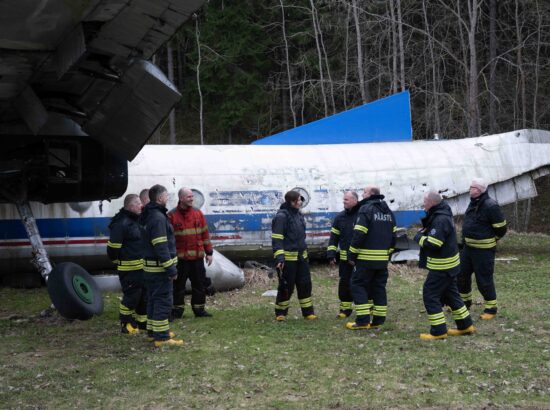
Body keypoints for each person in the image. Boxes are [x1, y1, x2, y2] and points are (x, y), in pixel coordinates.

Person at [413, 191, 475, 340]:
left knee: (430, 295)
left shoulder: (440, 219)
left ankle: (438, 331)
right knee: (452, 295)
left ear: (432, 202)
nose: (423, 204)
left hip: (441, 267)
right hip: (450, 265)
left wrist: (419, 238)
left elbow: (435, 244)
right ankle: (465, 325)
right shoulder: (442, 214)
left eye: (425, 202)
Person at [346, 186, 396, 330]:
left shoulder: (365, 209)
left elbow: (359, 234)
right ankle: (378, 320)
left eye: (365, 193)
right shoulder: (388, 212)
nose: (362, 195)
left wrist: (352, 254)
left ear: (371, 195)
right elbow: (394, 237)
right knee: (378, 288)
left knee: (358, 285)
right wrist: (387, 254)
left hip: (365, 259)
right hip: (382, 260)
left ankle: (362, 321)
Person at [458, 178, 507, 320]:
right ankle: (464, 303)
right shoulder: (473, 202)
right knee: (461, 275)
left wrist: (492, 240)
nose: (469, 189)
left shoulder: (491, 206)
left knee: (483, 279)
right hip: (468, 249)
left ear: (479, 190)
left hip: (484, 251)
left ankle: (491, 308)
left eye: (472, 187)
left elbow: (501, 228)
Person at [141, 184, 182, 347]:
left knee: (152, 299)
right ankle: (162, 338)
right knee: (162, 301)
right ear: (159, 198)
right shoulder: (158, 218)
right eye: (166, 196)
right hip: (159, 269)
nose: (168, 198)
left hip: (150, 268)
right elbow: (161, 246)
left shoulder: (149, 215)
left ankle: (153, 332)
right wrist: (171, 269)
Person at [168, 187, 214, 319]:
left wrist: (209, 252)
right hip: (180, 260)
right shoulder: (171, 215)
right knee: (178, 287)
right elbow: (169, 240)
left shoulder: (198, 213)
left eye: (192, 196)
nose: (192, 199)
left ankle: (199, 310)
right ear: (181, 198)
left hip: (197, 259)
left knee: (199, 285)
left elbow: (205, 234)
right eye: (189, 197)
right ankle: (177, 311)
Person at [272, 190, 316, 321]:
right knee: (286, 287)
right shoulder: (281, 217)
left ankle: (308, 313)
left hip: (301, 258)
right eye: (298, 200)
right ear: (292, 202)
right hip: (287, 260)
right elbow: (277, 239)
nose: (301, 202)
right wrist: (280, 258)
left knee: (305, 285)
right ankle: (281, 313)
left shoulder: (299, 215)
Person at [107, 194, 147, 334]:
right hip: (129, 269)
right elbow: (113, 248)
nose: (141, 206)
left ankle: (142, 323)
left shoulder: (137, 221)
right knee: (132, 297)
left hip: (142, 268)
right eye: (138, 204)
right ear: (130, 206)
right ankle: (125, 323)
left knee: (143, 297)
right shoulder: (121, 223)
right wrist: (117, 261)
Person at [327, 191, 364, 318]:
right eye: (343, 200)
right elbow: (334, 238)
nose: (344, 202)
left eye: (346, 200)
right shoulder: (340, 217)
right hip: (344, 260)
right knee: (344, 284)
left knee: (362, 284)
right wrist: (331, 254)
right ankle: (345, 310)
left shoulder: (362, 215)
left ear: (355, 200)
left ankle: (366, 310)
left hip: (360, 259)